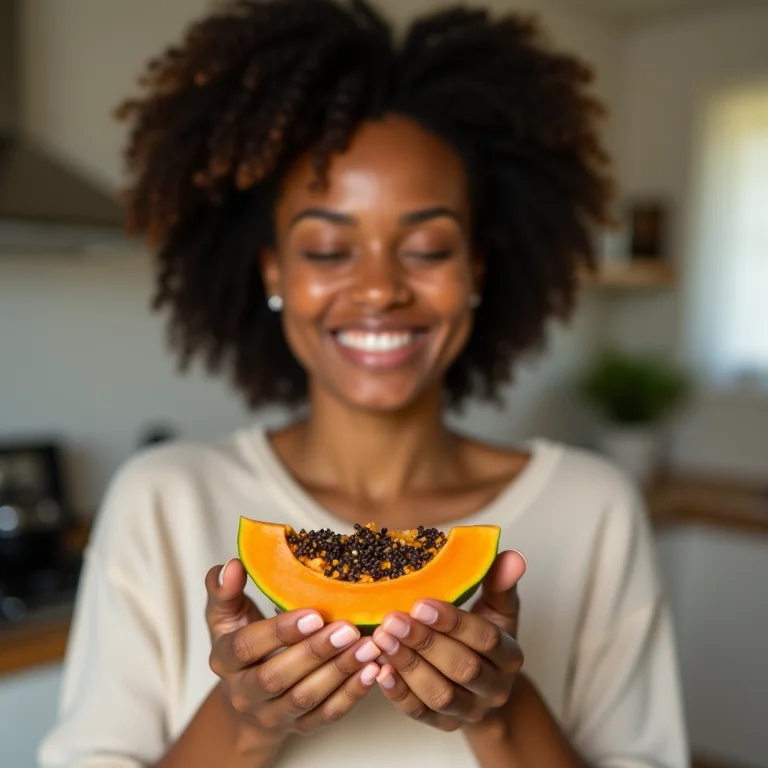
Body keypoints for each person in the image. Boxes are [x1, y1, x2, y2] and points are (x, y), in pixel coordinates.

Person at [39, 1, 689, 766]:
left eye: (428, 248)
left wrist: (500, 713)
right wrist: (245, 724)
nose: (379, 289)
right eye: (326, 249)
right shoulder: (161, 500)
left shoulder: (595, 508)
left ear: (475, 271)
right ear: (274, 272)